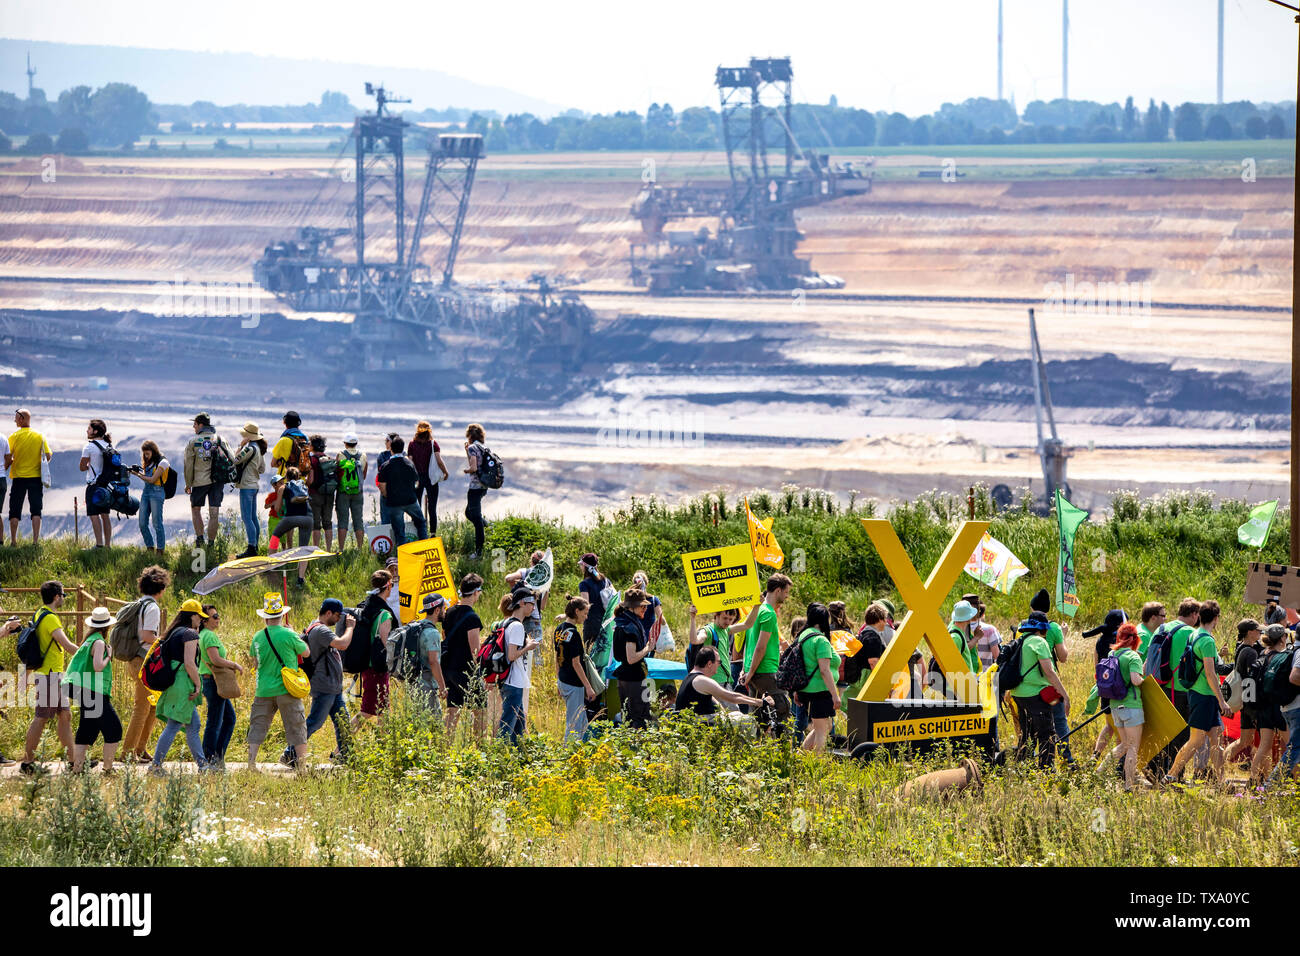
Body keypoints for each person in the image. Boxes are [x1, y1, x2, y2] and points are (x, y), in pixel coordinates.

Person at [1163, 599, 1229, 786]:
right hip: (1204, 695)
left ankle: (1221, 781)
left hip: (1198, 693)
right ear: (1216, 618)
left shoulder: (1195, 635)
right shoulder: (1207, 640)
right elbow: (1210, 673)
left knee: (1216, 740)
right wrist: (1222, 701)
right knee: (1196, 740)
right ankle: (1171, 775)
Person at [283, 598, 355, 766]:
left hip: (332, 686)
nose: (339, 620)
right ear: (328, 613)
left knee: (342, 721)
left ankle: (345, 756)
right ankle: (289, 754)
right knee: (315, 721)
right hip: (325, 685)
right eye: (338, 616)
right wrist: (350, 627)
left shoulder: (314, 626)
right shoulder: (321, 630)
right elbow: (343, 644)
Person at [245, 593, 310, 771]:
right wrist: (294, 633)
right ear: (281, 615)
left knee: (258, 725)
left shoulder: (257, 637)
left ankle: (251, 763)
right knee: (296, 726)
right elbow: (306, 653)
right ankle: (302, 767)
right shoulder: (288, 634)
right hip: (287, 688)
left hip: (264, 689)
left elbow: (256, 663)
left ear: (265, 618)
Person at [18, 580, 77, 774]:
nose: (62, 599)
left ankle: (73, 761)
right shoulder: (51, 618)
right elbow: (66, 644)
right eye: (62, 596)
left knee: (65, 715)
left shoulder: (39, 612)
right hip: (49, 675)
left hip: (52, 675)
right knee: (41, 718)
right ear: (56, 596)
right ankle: (28, 763)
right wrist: (87, 653)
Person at [150, 599, 209, 775]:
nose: (201, 620)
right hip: (183, 682)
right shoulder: (190, 634)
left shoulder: (173, 632)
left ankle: (202, 765)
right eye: (199, 616)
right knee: (174, 724)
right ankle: (155, 766)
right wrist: (198, 685)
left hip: (174, 682)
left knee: (193, 724)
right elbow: (190, 663)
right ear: (192, 616)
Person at [1228, 621, 1289, 785]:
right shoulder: (1278, 657)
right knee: (1291, 745)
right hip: (1275, 707)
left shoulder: (1260, 655)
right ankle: (1284, 780)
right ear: (1282, 639)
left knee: (1263, 744)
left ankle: (1255, 779)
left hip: (1258, 706)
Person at [64, 606, 121, 774]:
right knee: (114, 728)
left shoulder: (88, 641)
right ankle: (108, 769)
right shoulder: (99, 642)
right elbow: (98, 667)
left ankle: (77, 769)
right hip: (91, 689)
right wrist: (109, 656)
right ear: (107, 626)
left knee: (87, 728)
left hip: (79, 686)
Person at [1008, 614, 1070, 769]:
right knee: (1047, 734)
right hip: (1035, 696)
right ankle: (1047, 772)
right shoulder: (1039, 642)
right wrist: (1064, 695)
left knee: (1027, 735)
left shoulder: (1021, 641)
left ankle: (1023, 769)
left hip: (1018, 695)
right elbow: (1049, 672)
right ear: (1042, 628)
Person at [121, 565, 169, 763]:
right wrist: (163, 641)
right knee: (142, 707)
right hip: (143, 661)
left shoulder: (139, 604)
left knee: (152, 706)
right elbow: (147, 636)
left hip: (136, 659)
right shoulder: (152, 608)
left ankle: (140, 748)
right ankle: (127, 752)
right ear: (161, 587)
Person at [736, 573, 793, 735]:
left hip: (752, 671)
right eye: (786, 592)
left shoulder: (756, 610)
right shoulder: (768, 613)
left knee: (757, 714)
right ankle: (785, 753)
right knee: (783, 708)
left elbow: (748, 642)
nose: (787, 596)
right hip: (765, 670)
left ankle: (756, 749)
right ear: (777, 590)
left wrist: (745, 669)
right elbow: (760, 646)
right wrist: (750, 671)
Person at [1096, 621, 1146, 790]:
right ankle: (1128, 787)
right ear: (1135, 639)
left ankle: (1099, 772)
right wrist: (1144, 679)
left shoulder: (1112, 654)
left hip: (1115, 706)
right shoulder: (1133, 657)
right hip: (1131, 706)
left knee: (1124, 745)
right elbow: (1135, 680)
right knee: (1132, 747)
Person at [1029, 587, 1075, 767]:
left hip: (1029, 684)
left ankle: (1031, 758)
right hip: (1050, 684)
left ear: (1032, 608)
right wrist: (1063, 637)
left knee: (1032, 723)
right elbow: (1063, 657)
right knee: (1059, 720)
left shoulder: (1024, 626)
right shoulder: (1054, 627)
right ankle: (1067, 759)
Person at [197, 603, 243, 770]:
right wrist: (234, 665)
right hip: (213, 681)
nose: (218, 618)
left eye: (218, 615)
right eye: (214, 616)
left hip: (209, 680)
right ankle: (209, 759)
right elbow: (215, 659)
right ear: (205, 620)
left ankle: (217, 756)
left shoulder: (203, 634)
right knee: (215, 721)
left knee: (228, 718)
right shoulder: (208, 636)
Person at [442, 573, 487, 738]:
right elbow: (476, 651)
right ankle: (480, 747)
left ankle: (444, 748)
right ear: (475, 592)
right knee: (480, 710)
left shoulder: (450, 611)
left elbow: (444, 636)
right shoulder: (472, 618)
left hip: (449, 669)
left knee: (453, 710)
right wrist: (482, 674)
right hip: (466, 671)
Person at [675, 647, 772, 718]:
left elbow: (715, 701)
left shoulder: (691, 677)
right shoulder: (701, 680)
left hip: (697, 721)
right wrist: (761, 702)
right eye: (719, 662)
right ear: (709, 664)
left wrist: (725, 713)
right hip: (698, 723)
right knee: (747, 721)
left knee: (737, 715)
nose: (719, 665)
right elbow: (732, 697)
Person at [796, 603, 841, 753]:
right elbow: (824, 670)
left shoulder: (803, 635)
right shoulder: (820, 640)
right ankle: (818, 765)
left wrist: (797, 690)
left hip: (806, 688)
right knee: (823, 731)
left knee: (821, 727)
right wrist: (835, 695)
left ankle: (801, 755)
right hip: (821, 689)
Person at [499, 587, 541, 743]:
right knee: (507, 725)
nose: (533, 608)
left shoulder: (507, 622)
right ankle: (498, 755)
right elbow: (512, 655)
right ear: (522, 603)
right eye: (532, 604)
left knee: (519, 727)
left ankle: (520, 756)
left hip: (510, 680)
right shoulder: (517, 626)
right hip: (513, 681)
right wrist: (528, 647)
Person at [354, 569, 396, 725]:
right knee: (367, 710)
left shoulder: (368, 607)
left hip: (367, 664)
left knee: (383, 710)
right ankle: (341, 745)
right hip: (377, 667)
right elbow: (387, 644)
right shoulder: (384, 614)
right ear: (388, 586)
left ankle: (382, 745)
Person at [183, 412, 232, 546]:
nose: (194, 428)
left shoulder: (193, 442)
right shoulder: (220, 439)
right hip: (217, 481)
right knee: (214, 513)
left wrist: (188, 484)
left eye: (195, 425)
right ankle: (211, 543)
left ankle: (200, 540)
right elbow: (232, 459)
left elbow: (188, 465)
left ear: (201, 425)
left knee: (196, 509)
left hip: (199, 482)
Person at [611, 588, 656, 729]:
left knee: (628, 717)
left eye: (645, 606)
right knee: (639, 719)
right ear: (632, 607)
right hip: (633, 679)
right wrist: (648, 648)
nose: (645, 608)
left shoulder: (623, 622)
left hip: (626, 678)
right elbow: (631, 658)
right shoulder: (630, 627)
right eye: (642, 606)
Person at [555, 595, 598, 742]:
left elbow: (557, 657)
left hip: (563, 679)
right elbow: (576, 663)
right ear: (577, 611)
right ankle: (569, 753)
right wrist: (589, 687)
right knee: (574, 722)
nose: (586, 617)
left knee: (582, 720)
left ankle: (583, 748)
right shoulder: (573, 634)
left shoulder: (559, 629)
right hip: (574, 683)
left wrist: (558, 680)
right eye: (585, 613)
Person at [7, 407, 52, 545]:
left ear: (21, 419)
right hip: (35, 478)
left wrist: (14, 462)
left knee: (14, 509)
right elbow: (48, 456)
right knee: (36, 510)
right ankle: (35, 541)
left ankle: (14, 541)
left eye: (16, 418)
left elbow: (8, 458)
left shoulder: (14, 437)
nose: (14, 420)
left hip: (18, 478)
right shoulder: (39, 436)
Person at [1266, 633, 1300, 787]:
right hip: (1297, 707)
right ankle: (1271, 786)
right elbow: (1294, 677)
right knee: (1294, 748)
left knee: (1294, 748)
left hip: (1287, 707)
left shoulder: (1291, 649)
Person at [377, 436, 425, 545]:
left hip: (394, 503)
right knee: (421, 522)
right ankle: (424, 548)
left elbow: (382, 487)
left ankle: (402, 558)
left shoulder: (386, 466)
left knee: (399, 532)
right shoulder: (409, 463)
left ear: (391, 449)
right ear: (403, 449)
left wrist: (388, 496)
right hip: (410, 500)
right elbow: (417, 482)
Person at [270, 470, 312, 588]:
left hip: (291, 518)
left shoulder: (283, 487)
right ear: (298, 476)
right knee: (304, 548)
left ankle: (270, 566)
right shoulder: (303, 485)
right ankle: (300, 579)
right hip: (307, 518)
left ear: (286, 477)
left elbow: (277, 508)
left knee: (275, 536)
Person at [129, 440, 171, 554]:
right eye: (144, 454)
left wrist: (138, 475)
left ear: (153, 451)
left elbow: (152, 479)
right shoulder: (149, 462)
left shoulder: (163, 462)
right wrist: (138, 471)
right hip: (146, 492)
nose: (146, 456)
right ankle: (150, 547)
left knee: (157, 523)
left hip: (157, 493)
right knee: (142, 523)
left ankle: (160, 550)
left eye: (147, 453)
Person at [411, 592, 450, 714]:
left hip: (413, 681)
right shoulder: (432, 633)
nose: (445, 611)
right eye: (444, 608)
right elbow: (433, 661)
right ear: (437, 610)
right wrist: (442, 687)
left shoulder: (416, 626)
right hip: (426, 684)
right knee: (434, 726)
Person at [79, 418, 115, 548]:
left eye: (89, 428)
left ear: (95, 431)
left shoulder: (89, 447)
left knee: (94, 515)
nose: (87, 431)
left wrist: (89, 465)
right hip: (106, 486)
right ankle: (107, 545)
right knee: (105, 515)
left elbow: (82, 467)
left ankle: (99, 545)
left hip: (94, 485)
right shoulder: (109, 446)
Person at [409, 421, 449, 536]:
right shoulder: (433, 444)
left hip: (417, 479)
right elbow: (439, 460)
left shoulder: (412, 444)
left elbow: (410, 461)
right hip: (431, 478)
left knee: (416, 506)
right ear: (429, 431)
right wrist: (445, 472)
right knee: (432, 507)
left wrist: (413, 476)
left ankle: (417, 532)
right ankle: (432, 534)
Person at [686, 604, 739, 692]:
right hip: (716, 680)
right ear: (716, 615)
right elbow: (694, 640)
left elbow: (747, 624)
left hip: (724, 680)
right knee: (731, 706)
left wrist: (757, 605)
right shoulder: (709, 630)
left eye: (730, 619)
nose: (728, 622)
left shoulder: (725, 630)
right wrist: (693, 618)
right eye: (725, 618)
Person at [233, 422, 267, 558]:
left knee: (247, 518)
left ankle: (251, 548)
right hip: (255, 486)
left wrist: (240, 446)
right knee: (253, 517)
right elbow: (262, 469)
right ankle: (255, 545)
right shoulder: (258, 449)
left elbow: (235, 460)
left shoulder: (249, 449)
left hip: (246, 486)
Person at [842, 602, 889, 699]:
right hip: (867, 679)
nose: (886, 622)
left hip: (859, 678)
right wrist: (883, 684)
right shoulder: (873, 637)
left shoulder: (863, 634)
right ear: (879, 619)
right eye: (885, 619)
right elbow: (873, 662)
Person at [334, 432, 367, 549]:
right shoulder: (363, 456)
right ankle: (360, 548)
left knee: (343, 521)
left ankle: (341, 549)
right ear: (356, 443)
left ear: (345, 443)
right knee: (358, 520)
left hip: (343, 492)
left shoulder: (340, 455)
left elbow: (336, 473)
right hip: (358, 492)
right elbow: (364, 475)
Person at [306, 434, 337, 552]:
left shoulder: (312, 460)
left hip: (315, 494)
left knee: (316, 524)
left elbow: (311, 480)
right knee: (327, 523)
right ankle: (329, 550)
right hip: (329, 494)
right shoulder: (329, 459)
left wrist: (306, 484)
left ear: (313, 446)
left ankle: (316, 549)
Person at [463, 423, 489, 559]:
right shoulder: (482, 447)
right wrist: (467, 452)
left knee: (476, 519)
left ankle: (478, 552)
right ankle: (487, 526)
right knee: (469, 512)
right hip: (484, 485)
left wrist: (466, 471)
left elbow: (473, 467)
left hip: (475, 487)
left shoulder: (474, 447)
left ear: (469, 435)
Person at [577, 552, 612, 652]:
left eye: (581, 564)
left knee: (590, 655)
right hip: (607, 622)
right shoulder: (606, 581)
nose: (580, 567)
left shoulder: (584, 584)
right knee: (605, 654)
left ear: (585, 566)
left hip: (591, 624)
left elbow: (585, 604)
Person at [269, 410, 308, 478]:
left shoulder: (284, 440)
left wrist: (279, 463)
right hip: (301, 481)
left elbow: (273, 464)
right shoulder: (305, 440)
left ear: (284, 422)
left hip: (285, 480)